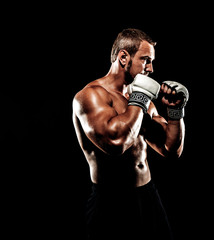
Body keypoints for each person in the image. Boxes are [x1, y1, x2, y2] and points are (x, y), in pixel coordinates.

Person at [72, 28, 189, 240]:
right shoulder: (90, 96)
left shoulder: (139, 99)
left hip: (147, 196)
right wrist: (141, 98)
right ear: (123, 56)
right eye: (146, 60)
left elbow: (170, 149)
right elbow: (116, 142)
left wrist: (175, 112)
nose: (151, 69)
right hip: (110, 204)